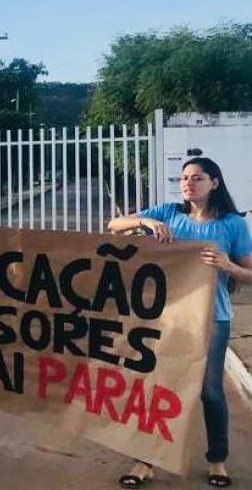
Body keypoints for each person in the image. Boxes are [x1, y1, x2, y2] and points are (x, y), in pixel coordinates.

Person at [106, 157, 252, 488]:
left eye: (197, 178)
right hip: (166, 317)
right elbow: (113, 225)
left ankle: (217, 460)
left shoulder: (232, 224)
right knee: (156, 386)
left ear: (214, 183)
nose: (188, 183)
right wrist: (143, 222)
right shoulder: (168, 214)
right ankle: (145, 460)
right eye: (184, 178)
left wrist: (228, 266)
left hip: (212, 319)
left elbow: (250, 273)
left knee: (209, 392)